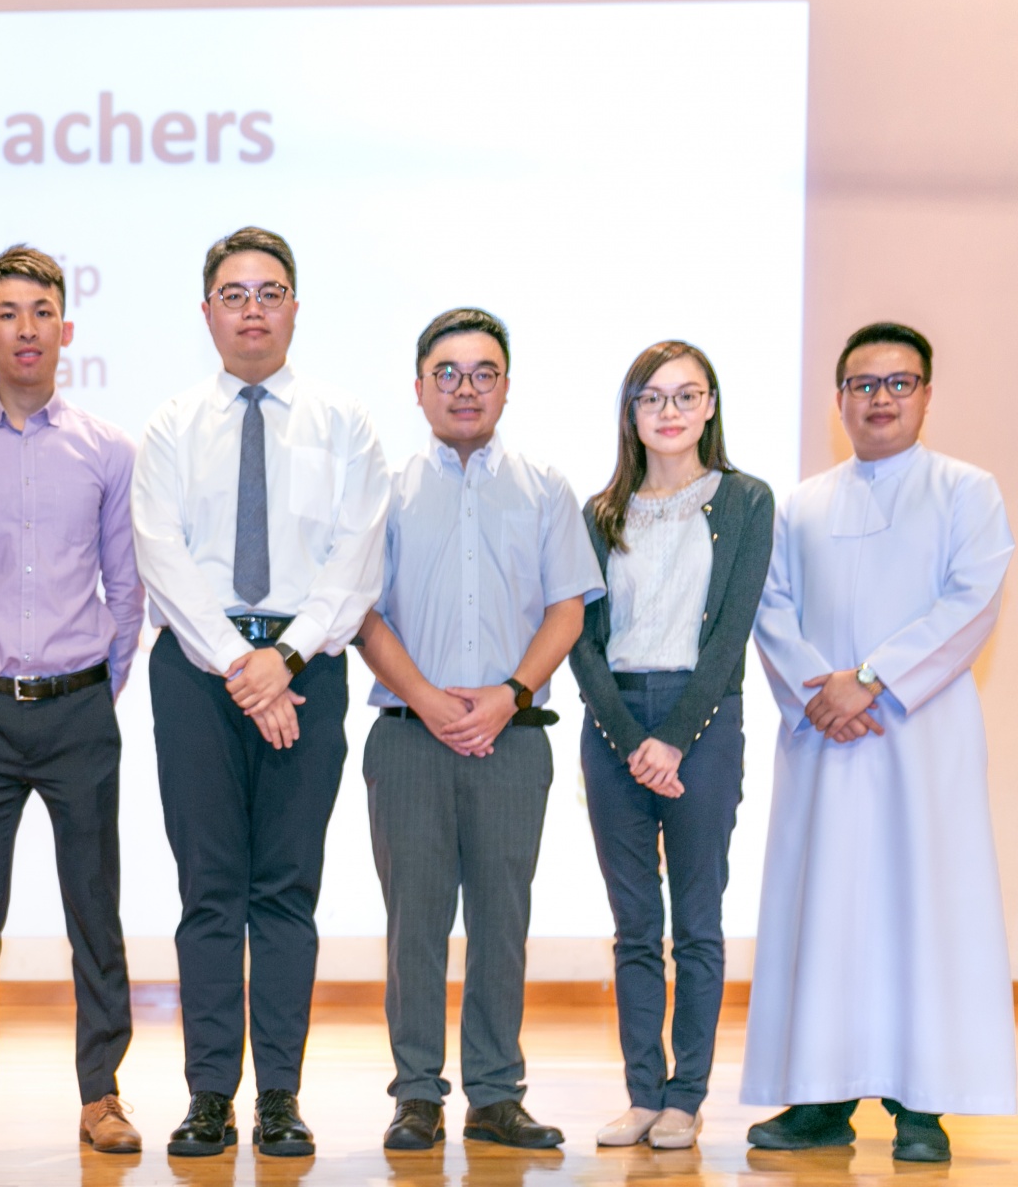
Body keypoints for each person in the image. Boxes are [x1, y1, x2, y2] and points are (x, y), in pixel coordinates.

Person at [132, 226, 390, 1159]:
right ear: (208, 312)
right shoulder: (170, 425)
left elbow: (357, 556)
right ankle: (209, 1096)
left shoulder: (344, 423)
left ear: (294, 308)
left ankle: (279, 1094)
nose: (252, 309)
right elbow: (160, 553)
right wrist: (244, 667)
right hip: (198, 673)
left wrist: (284, 655)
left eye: (269, 292)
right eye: (234, 294)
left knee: (285, 890)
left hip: (306, 669)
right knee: (209, 891)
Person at [743, 322, 1015, 1163]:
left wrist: (872, 680)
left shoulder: (967, 491)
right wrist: (820, 689)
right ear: (839, 400)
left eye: (899, 383)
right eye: (864, 385)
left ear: (927, 394)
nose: (881, 399)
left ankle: (921, 1108)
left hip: (919, 738)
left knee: (919, 910)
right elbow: (769, 606)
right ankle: (820, 1100)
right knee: (823, 911)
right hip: (824, 740)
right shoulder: (802, 505)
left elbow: (972, 600)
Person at [0, 245, 145, 1157]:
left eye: (42, 311)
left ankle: (103, 1094)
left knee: (95, 906)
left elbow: (127, 590)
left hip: (79, 708)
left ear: (66, 328)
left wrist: (94, 687)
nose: (26, 329)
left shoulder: (107, 451)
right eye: (8, 313)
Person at [361, 307, 603, 1153]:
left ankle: (497, 1094)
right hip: (407, 736)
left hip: (514, 737)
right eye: (448, 373)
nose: (466, 389)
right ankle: (416, 1094)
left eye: (484, 373)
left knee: (503, 921)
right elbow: (362, 614)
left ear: (506, 386)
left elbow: (568, 609)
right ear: (419, 387)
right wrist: (428, 700)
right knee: (415, 925)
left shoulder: (545, 488)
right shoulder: (384, 490)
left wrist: (509, 693)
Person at [567, 342, 773, 1150]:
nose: (670, 411)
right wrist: (630, 739)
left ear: (711, 405)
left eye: (687, 395)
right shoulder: (599, 513)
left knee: (696, 920)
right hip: (614, 723)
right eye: (652, 397)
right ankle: (643, 1096)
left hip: (705, 720)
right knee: (633, 924)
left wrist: (675, 739)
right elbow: (582, 638)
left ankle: (687, 1098)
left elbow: (730, 634)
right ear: (632, 412)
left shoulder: (746, 500)